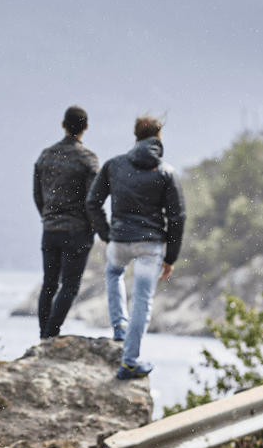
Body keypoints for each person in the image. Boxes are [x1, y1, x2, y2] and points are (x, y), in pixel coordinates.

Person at [86, 116, 186, 380]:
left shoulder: (114, 165)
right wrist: (170, 257)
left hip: (119, 241)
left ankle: (119, 326)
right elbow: (177, 218)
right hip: (150, 246)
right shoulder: (166, 172)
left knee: (114, 273)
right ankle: (130, 362)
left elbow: (92, 202)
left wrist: (107, 234)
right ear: (158, 137)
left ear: (136, 136)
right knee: (143, 299)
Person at [33, 105, 100, 340]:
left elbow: (37, 195)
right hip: (77, 232)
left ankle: (44, 335)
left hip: (50, 229)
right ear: (86, 127)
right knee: (69, 286)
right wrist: (96, 228)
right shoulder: (88, 159)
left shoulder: (45, 156)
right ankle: (52, 333)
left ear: (63, 125)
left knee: (49, 284)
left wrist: (48, 216)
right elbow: (94, 200)